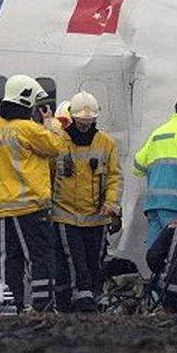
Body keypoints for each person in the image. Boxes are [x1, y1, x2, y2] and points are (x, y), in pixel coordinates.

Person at [0, 75, 65, 311]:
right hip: (30, 205)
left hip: (2, 207)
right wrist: (50, 122)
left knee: (8, 261)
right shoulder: (28, 129)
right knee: (41, 259)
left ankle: (9, 305)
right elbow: (56, 146)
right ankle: (44, 305)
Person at [51, 91, 120, 312]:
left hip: (97, 217)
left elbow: (114, 177)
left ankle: (94, 296)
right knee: (75, 261)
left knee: (94, 261)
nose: (84, 126)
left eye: (88, 122)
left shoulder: (106, 143)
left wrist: (111, 204)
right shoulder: (58, 142)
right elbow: (48, 174)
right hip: (65, 215)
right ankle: (82, 299)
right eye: (81, 122)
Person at [133, 93, 177, 247]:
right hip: (176, 205)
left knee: (155, 253)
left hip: (154, 204)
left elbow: (138, 166)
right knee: (176, 252)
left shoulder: (158, 133)